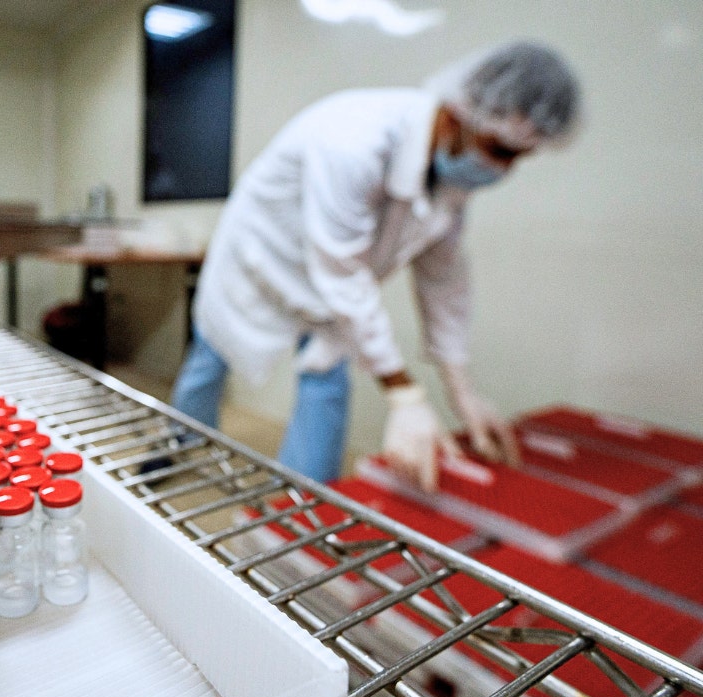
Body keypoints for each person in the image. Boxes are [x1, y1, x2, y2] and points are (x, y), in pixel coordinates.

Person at [170, 40, 581, 490]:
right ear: (457, 115)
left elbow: (443, 277)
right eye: (499, 150)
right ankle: (175, 446)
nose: (504, 170)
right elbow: (342, 271)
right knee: (210, 357)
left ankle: (303, 506)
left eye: (520, 157)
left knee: (327, 377)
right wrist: (404, 393)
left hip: (333, 280)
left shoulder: (451, 178)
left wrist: (460, 389)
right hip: (261, 262)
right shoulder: (353, 140)